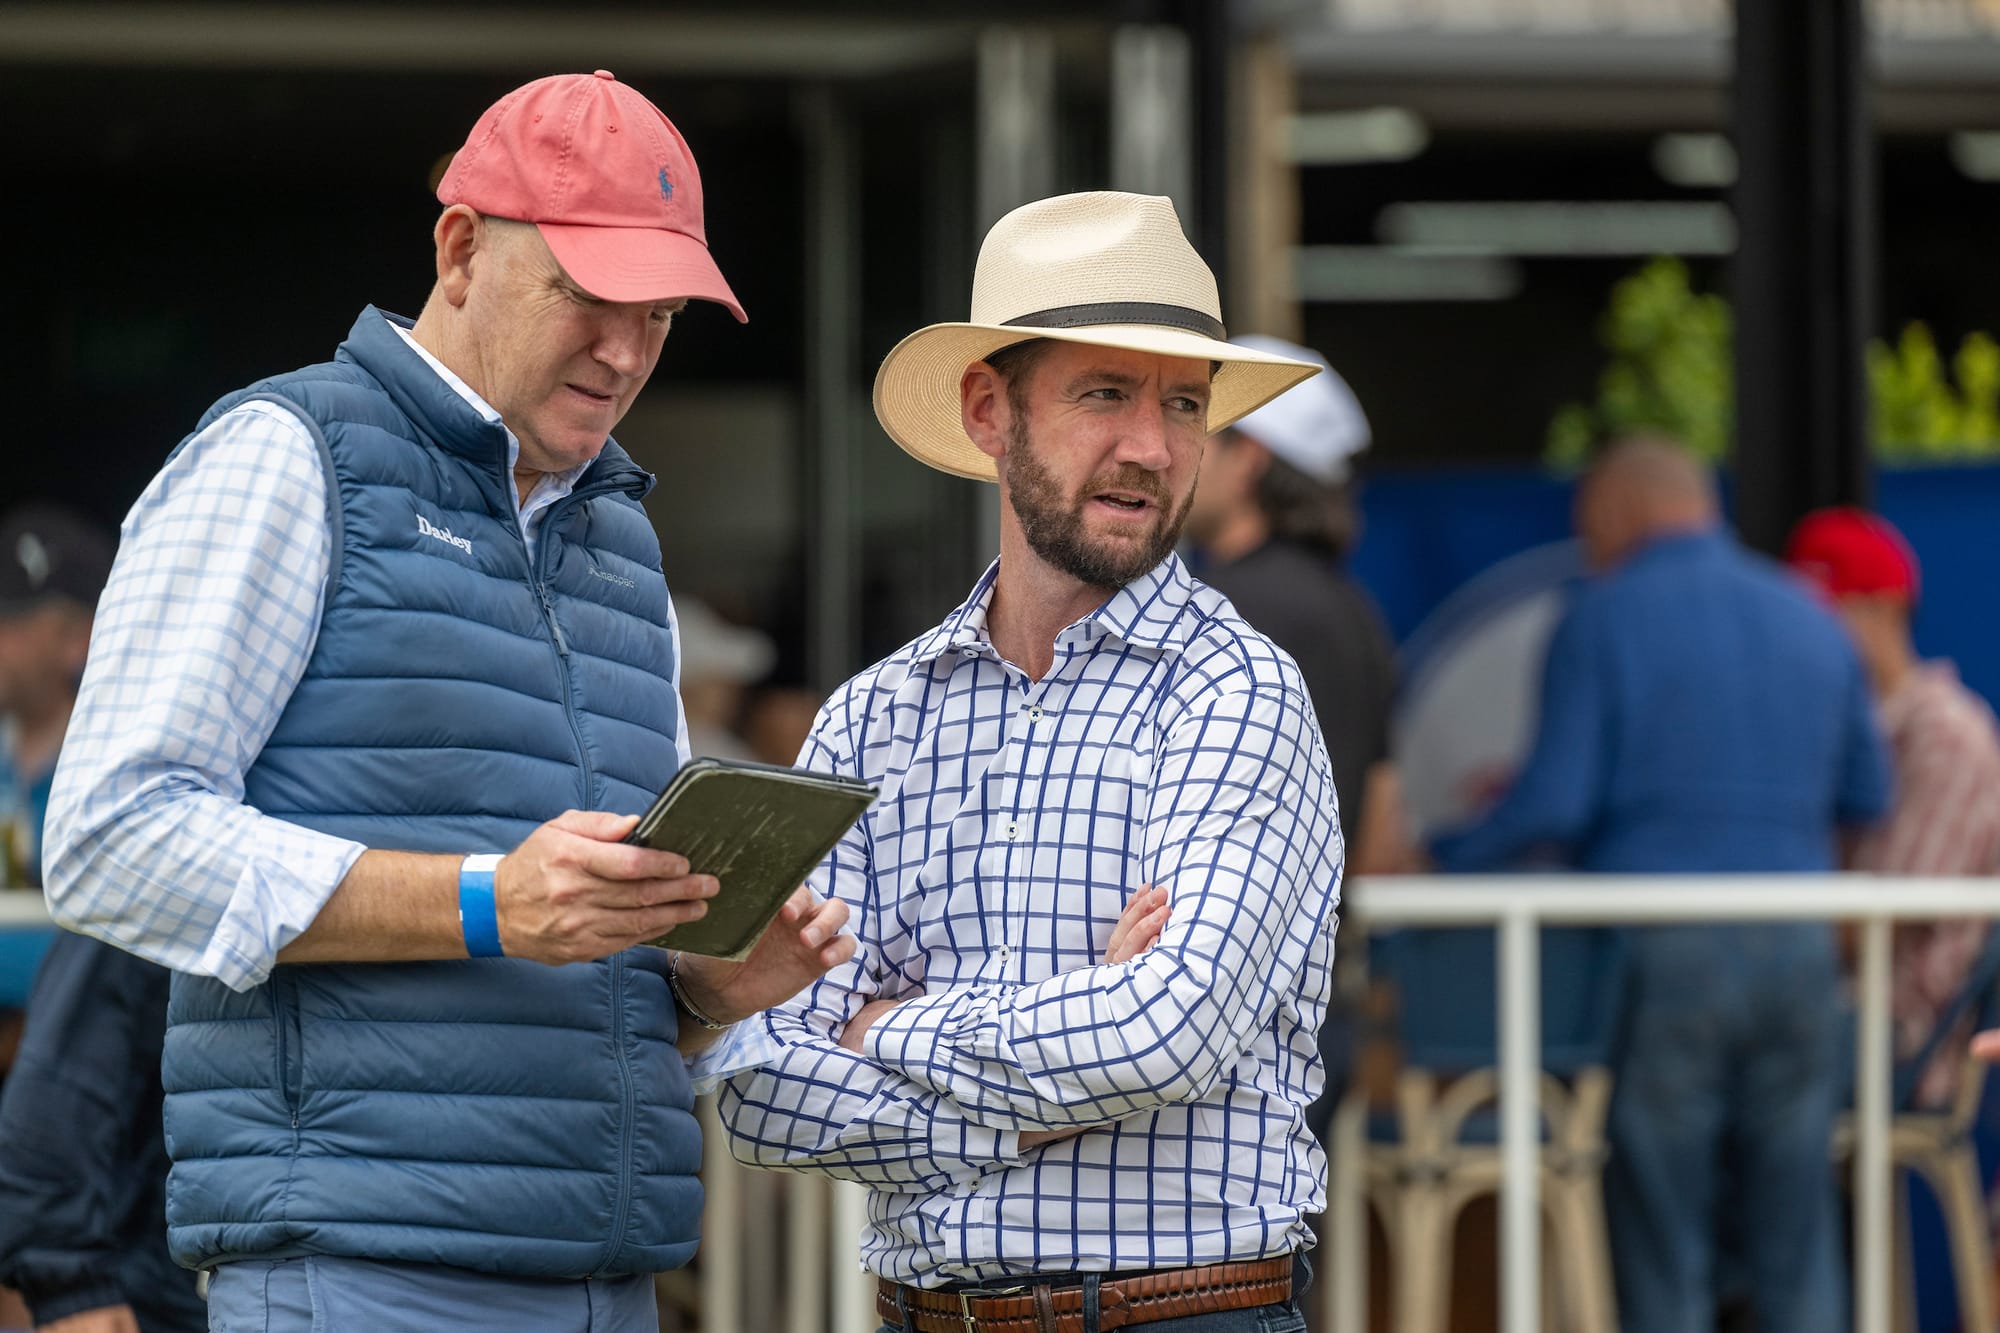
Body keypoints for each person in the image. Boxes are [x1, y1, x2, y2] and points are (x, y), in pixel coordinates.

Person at [40, 71, 853, 1333]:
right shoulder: (283, 452)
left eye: (663, 315)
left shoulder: (625, 545)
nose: (629, 351)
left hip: (608, 1281)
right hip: (363, 1278)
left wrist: (705, 986)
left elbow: (587, 946)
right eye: (590, 293)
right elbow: (106, 842)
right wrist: (484, 898)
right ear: (460, 249)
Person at [715, 191, 1343, 1333]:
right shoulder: (873, 719)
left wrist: (886, 1029)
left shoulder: (1237, 692)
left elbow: (1169, 1034)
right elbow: (759, 1086)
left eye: (1184, 405)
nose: (1150, 447)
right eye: (1103, 393)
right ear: (985, 412)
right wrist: (1050, 1080)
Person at [1428, 439, 1891, 1333]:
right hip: (1800, 948)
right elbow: (1869, 792)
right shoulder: (1810, 617)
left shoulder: (1602, 616)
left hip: (1662, 952)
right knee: (1796, 1237)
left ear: (1615, 513)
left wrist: (1439, 850)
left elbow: (1552, 802)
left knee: (1662, 1241)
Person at [1786, 507, 2000, 1106]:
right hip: (1822, 1002)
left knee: (1742, 1057)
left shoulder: (1947, 732)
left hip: (1899, 1028)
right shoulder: (1830, 729)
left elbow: (1890, 910)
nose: (1811, 636)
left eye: (1829, 615)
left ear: (1886, 607)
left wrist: (1762, 936)